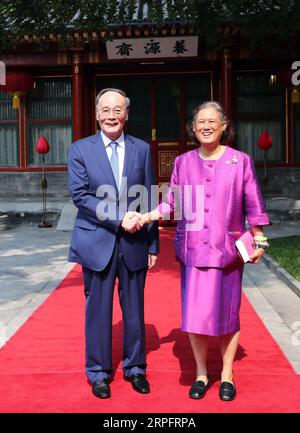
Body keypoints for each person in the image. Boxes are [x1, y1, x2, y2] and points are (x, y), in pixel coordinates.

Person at [139, 101, 270, 401]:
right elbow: (172, 203)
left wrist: (259, 240)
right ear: (193, 129)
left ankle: (227, 375)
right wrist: (146, 217)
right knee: (195, 318)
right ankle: (201, 372)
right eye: (201, 122)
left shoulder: (241, 161)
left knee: (228, 317)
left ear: (224, 126)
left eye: (213, 121)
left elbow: (254, 204)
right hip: (194, 252)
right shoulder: (183, 163)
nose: (206, 126)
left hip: (228, 254)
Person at [67, 88, 159, 399]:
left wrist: (153, 245)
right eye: (105, 110)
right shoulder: (80, 150)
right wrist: (120, 218)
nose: (111, 116)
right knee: (97, 311)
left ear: (127, 115)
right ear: (96, 114)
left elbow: (148, 195)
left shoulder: (142, 149)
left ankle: (136, 368)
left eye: (117, 110)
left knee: (134, 310)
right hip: (96, 242)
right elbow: (81, 196)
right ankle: (98, 372)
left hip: (134, 243)